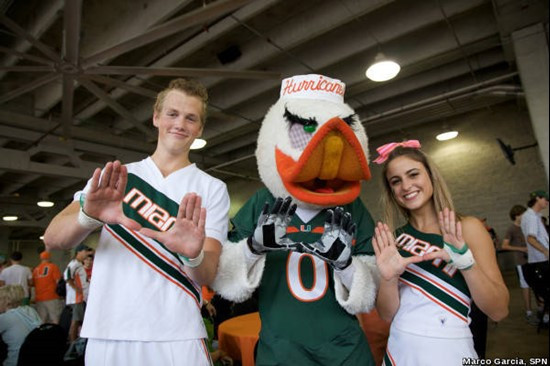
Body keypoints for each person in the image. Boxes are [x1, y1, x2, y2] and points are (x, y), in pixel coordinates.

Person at [43, 78, 230, 366]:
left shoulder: (212, 188)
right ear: (156, 117)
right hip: (108, 332)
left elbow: (206, 275)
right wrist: (88, 215)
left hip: (177, 335)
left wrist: (192, 255)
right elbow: (53, 238)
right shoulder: (117, 177)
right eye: (172, 114)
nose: (180, 123)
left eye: (190, 118)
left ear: (200, 128)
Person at [371, 140, 509, 365]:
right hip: (400, 352)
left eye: (413, 174)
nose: (406, 186)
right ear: (391, 191)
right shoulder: (393, 241)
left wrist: (466, 263)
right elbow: (386, 315)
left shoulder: (468, 228)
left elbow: (499, 311)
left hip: (452, 351)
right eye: (396, 181)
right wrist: (388, 278)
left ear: (431, 176)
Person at [501, 205, 535, 323]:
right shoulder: (512, 229)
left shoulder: (526, 227)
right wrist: (521, 249)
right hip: (521, 261)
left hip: (533, 260)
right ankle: (528, 312)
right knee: (525, 285)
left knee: (536, 283)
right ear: (517, 215)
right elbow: (504, 245)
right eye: (522, 214)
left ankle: (541, 309)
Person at [520, 190, 549, 324]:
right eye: (545, 199)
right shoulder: (530, 216)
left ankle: (545, 315)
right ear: (537, 198)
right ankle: (545, 316)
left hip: (541, 259)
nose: (547, 202)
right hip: (540, 260)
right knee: (544, 289)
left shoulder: (536, 216)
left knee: (544, 290)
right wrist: (545, 250)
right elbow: (531, 239)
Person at [0, 285, 42, 366]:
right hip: (35, 359)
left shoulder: (5, 318)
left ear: (7, 301)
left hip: (14, 361)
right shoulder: (30, 310)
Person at [63, 244, 91, 342]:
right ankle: (73, 342)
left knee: (77, 320)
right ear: (79, 252)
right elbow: (67, 276)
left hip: (80, 297)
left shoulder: (79, 264)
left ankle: (74, 341)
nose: (87, 254)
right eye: (85, 251)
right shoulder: (74, 264)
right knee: (75, 321)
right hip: (76, 298)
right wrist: (77, 289)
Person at [31, 251, 63, 324]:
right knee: (54, 319)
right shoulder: (53, 267)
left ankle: (42, 335)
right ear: (49, 258)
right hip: (52, 296)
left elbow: (32, 284)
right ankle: (54, 335)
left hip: (39, 298)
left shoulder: (36, 269)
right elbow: (58, 282)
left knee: (41, 320)